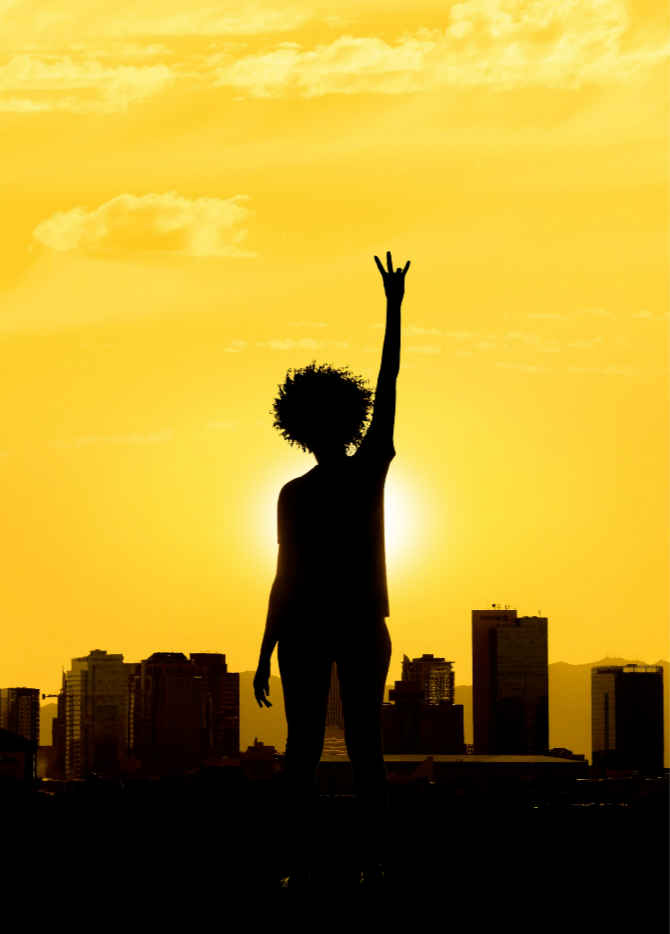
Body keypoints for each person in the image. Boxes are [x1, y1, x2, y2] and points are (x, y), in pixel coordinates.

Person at [253, 251, 410, 891]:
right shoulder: (334, 479)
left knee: (313, 751)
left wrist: (393, 310)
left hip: (328, 628)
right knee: (333, 751)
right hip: (338, 627)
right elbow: (283, 576)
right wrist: (264, 651)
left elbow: (390, 382)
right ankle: (347, 865)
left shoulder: (313, 486)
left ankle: (321, 866)